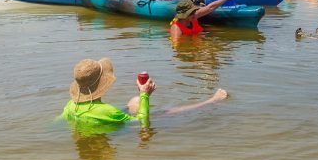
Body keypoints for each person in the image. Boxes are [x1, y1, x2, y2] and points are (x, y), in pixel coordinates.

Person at [60, 57, 228, 131]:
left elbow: (57, 123)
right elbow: (142, 122)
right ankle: (211, 101)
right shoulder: (109, 111)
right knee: (162, 114)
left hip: (96, 120)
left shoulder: (70, 106)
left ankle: (137, 99)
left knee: (134, 102)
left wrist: (141, 96)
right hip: (114, 123)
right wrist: (145, 95)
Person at [170, 0, 240, 38]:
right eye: (192, 12)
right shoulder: (176, 30)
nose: (195, 13)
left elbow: (210, 7)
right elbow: (178, 49)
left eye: (194, 11)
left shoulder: (193, 16)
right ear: (184, 15)